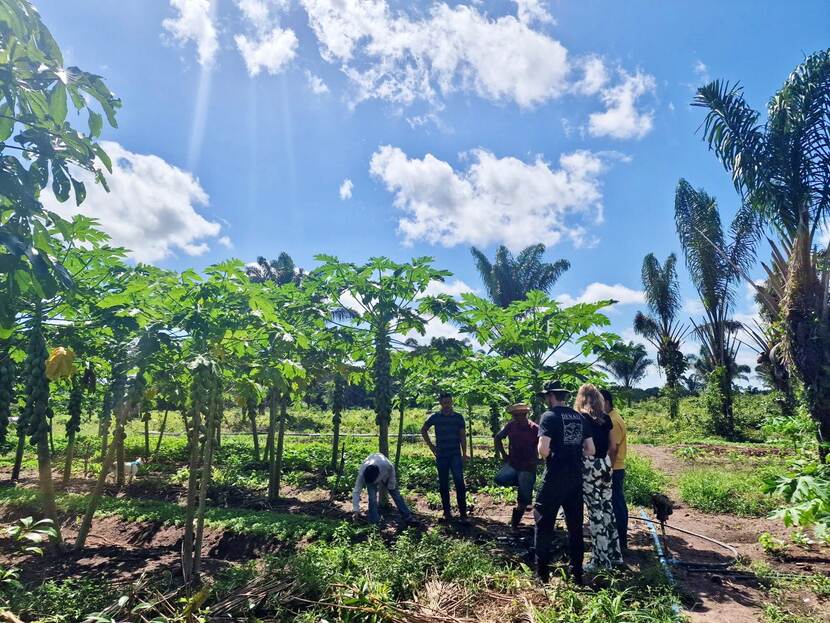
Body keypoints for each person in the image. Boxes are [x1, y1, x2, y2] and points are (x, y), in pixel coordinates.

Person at [534, 380, 595, 585]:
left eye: (546, 397)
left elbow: (543, 449)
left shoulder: (549, 416)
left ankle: (541, 574)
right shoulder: (579, 417)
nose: (546, 400)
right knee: (575, 526)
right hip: (575, 479)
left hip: (554, 478)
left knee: (543, 523)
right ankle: (576, 572)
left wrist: (553, 454)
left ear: (551, 396)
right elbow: (590, 450)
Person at [575, 384, 622, 571]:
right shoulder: (606, 419)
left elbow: (585, 447)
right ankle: (615, 555)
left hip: (590, 465)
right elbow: (612, 446)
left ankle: (601, 561)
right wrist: (607, 464)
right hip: (606, 464)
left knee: (595, 512)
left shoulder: (582, 417)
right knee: (607, 509)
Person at [421, 392, 468, 522]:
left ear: (452, 402)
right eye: (444, 402)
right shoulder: (435, 417)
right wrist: (431, 446)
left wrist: (464, 453)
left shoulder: (458, 418)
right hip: (441, 455)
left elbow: (462, 436)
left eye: (449, 402)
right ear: (440, 403)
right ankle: (447, 513)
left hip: (455, 454)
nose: (447, 405)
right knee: (443, 483)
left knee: (459, 482)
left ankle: (463, 514)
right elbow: (423, 429)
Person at [494, 403, 539, 528]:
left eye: (518, 415)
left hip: (528, 467)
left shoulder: (534, 428)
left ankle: (514, 525)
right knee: (499, 479)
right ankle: (520, 484)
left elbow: (543, 444)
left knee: (523, 502)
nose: (516, 418)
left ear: (525, 415)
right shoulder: (511, 426)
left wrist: (539, 458)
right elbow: (498, 437)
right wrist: (503, 454)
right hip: (514, 464)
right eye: (514, 416)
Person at [602, 388, 628, 553]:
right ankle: (618, 539)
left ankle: (621, 541)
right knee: (615, 502)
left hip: (615, 467)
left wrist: (608, 469)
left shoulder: (614, 420)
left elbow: (613, 448)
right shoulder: (610, 417)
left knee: (617, 504)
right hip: (614, 466)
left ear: (606, 402)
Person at [352, 453, 412, 525]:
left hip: (386, 475)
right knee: (372, 498)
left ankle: (407, 516)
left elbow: (392, 473)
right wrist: (356, 510)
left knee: (396, 495)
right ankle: (374, 521)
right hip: (372, 469)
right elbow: (356, 491)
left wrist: (391, 486)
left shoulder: (386, 466)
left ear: (378, 475)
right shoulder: (362, 473)